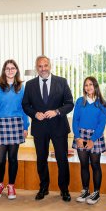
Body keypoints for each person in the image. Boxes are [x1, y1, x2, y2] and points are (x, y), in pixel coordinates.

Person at [22, 55, 74, 202]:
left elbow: (70, 103)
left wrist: (57, 111)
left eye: (45, 65)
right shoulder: (30, 84)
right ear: (36, 68)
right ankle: (43, 187)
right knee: (41, 160)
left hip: (59, 127)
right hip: (39, 128)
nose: (43, 69)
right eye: (40, 66)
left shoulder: (61, 82)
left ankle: (64, 189)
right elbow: (25, 105)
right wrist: (34, 114)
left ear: (50, 66)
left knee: (62, 159)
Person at [0, 59, 29, 199]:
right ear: (4, 71)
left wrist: (25, 125)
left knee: (12, 158)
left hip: (16, 124)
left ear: (16, 70)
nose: (10, 70)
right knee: (0, 159)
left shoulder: (21, 87)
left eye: (12, 68)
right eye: (7, 68)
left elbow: (24, 108)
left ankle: (11, 186)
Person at [72, 77, 106, 205]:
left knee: (95, 164)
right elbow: (75, 120)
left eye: (91, 84)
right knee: (83, 164)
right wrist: (77, 137)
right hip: (80, 135)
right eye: (86, 85)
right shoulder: (80, 101)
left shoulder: (102, 104)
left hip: (95, 137)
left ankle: (96, 192)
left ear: (95, 86)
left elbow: (101, 124)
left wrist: (92, 140)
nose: (88, 87)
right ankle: (86, 190)